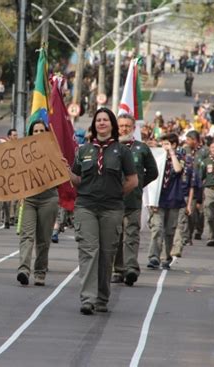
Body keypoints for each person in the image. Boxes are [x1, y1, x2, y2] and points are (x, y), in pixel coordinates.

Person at [69, 107, 138, 315]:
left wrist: (115, 194)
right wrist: (65, 171)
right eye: (98, 120)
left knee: (107, 255)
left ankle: (101, 297)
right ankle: (87, 299)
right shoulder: (83, 151)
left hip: (112, 209)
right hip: (86, 207)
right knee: (88, 251)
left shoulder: (122, 151)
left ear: (112, 125)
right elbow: (76, 179)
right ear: (94, 125)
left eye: (105, 120)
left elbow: (132, 181)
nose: (101, 123)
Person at [112, 113, 158, 286]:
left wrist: (137, 185)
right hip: (113, 201)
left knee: (131, 235)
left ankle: (131, 268)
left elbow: (153, 172)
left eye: (127, 126)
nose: (124, 128)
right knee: (115, 237)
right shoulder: (110, 147)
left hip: (133, 201)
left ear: (133, 128)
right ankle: (118, 270)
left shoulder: (142, 148)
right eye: (121, 125)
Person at [16, 120, 59, 287]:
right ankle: (24, 270)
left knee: (43, 238)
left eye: (42, 130)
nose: (39, 133)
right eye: (35, 130)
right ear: (31, 134)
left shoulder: (54, 150)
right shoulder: (23, 153)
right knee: (26, 235)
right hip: (30, 199)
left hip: (49, 198)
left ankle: (40, 272)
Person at [147, 133, 185, 270]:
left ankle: (166, 257)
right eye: (162, 144)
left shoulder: (179, 157)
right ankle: (153, 257)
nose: (163, 146)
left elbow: (178, 169)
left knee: (169, 231)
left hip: (174, 199)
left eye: (166, 144)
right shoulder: (157, 158)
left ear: (174, 145)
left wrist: (171, 152)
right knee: (157, 228)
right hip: (158, 198)